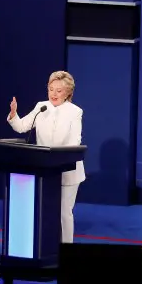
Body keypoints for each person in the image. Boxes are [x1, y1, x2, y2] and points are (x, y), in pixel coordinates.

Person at [7, 70, 84, 243]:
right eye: (51, 89)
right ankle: (45, 247)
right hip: (45, 170)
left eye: (59, 90)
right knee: (45, 211)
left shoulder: (75, 112)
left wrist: (58, 157)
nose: (54, 94)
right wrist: (13, 114)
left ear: (68, 93)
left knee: (64, 212)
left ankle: (66, 249)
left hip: (68, 170)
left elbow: (75, 141)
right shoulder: (41, 107)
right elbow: (21, 126)